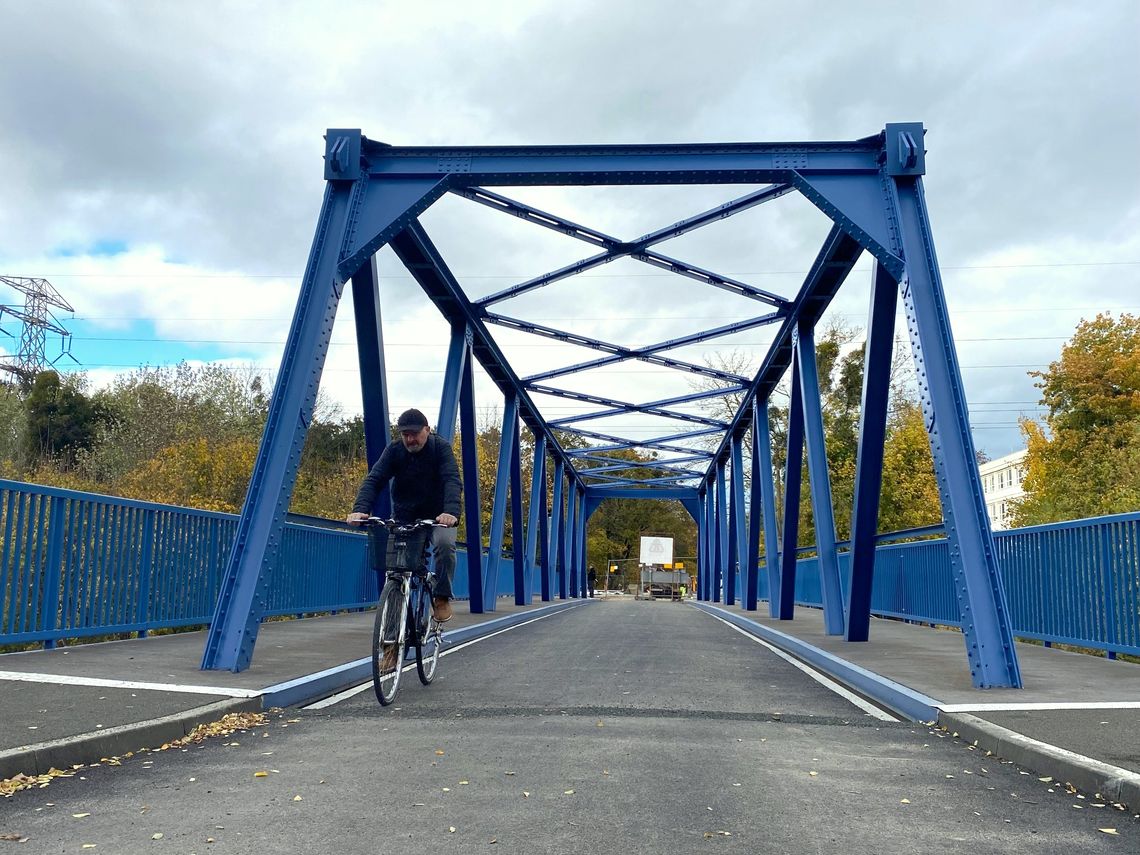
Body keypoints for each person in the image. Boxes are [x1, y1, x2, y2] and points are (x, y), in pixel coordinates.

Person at [347, 409, 461, 633]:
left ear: (427, 430)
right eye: (405, 434)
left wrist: (450, 512)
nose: (410, 439)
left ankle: (441, 596)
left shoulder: (441, 449)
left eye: (415, 434)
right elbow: (375, 479)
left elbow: (452, 480)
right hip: (406, 516)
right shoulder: (395, 451)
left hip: (439, 517)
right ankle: (390, 644)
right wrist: (360, 510)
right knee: (396, 574)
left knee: (445, 546)